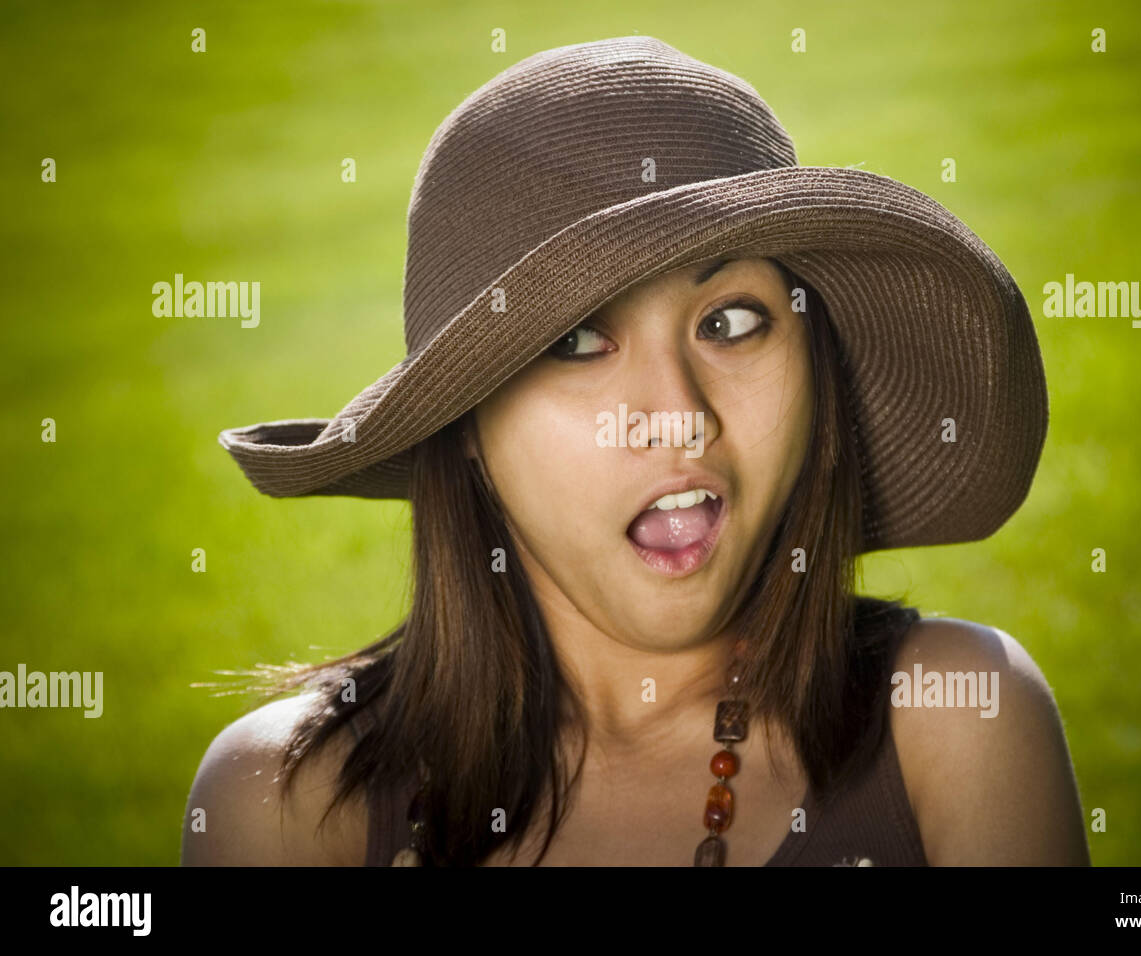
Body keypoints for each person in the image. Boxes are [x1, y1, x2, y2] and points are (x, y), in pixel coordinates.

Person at [182, 36, 1089, 867]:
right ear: (463, 427)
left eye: (730, 322)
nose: (677, 418)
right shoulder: (283, 808)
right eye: (577, 341)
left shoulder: (959, 721)